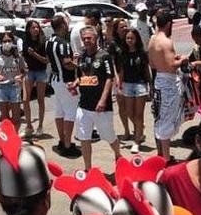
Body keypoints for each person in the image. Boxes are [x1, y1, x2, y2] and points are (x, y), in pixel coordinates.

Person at [73, 26, 122, 173]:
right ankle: (88, 169)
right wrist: (75, 83)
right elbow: (82, 76)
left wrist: (103, 100)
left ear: (96, 38)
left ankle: (118, 155)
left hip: (101, 107)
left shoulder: (104, 56)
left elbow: (109, 78)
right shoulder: (82, 55)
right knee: (84, 138)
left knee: (109, 136)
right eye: (84, 38)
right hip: (84, 105)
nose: (86, 41)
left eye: (89, 38)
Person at [149, 10, 188, 162]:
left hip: (159, 79)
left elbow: (152, 63)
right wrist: (182, 59)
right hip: (168, 83)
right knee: (166, 119)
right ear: (168, 24)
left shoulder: (152, 39)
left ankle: (163, 154)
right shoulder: (166, 41)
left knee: (161, 117)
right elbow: (172, 66)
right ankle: (165, 157)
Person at [48, 14, 81, 158]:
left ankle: (62, 140)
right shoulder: (63, 44)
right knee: (70, 112)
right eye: (66, 23)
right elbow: (67, 64)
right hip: (66, 81)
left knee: (59, 111)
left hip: (55, 80)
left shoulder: (49, 41)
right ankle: (67, 145)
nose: (68, 26)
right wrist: (77, 63)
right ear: (62, 25)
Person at [117, 28, 152, 153]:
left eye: (132, 38)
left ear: (136, 39)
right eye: (128, 38)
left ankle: (137, 141)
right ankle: (140, 128)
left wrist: (150, 85)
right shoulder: (122, 53)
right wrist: (119, 86)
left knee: (139, 114)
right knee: (129, 112)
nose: (130, 40)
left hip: (140, 85)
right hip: (127, 85)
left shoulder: (142, 53)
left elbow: (146, 70)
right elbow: (121, 71)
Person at [22, 20, 50, 139]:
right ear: (29, 29)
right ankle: (29, 126)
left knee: (40, 99)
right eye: (33, 28)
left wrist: (34, 54)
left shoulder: (43, 42)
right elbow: (22, 56)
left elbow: (46, 60)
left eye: (37, 27)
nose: (36, 30)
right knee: (25, 99)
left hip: (40, 72)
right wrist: (23, 66)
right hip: (29, 72)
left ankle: (40, 126)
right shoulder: (25, 41)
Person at [0, 30, 26, 126]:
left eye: (9, 41)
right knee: (4, 118)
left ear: (13, 42)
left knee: (16, 117)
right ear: (1, 43)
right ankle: (7, 134)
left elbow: (24, 71)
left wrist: (20, 76)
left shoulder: (18, 57)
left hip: (14, 87)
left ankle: (15, 133)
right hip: (2, 88)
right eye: (4, 41)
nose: (7, 43)